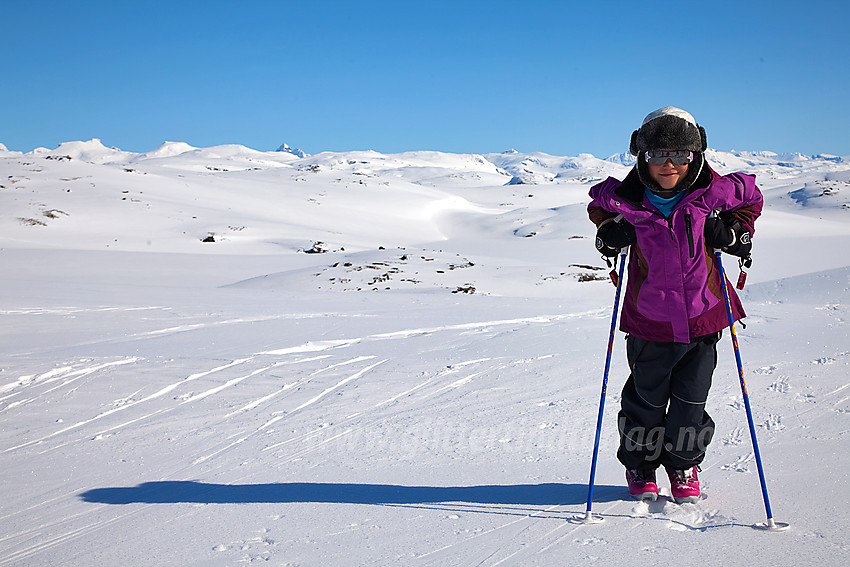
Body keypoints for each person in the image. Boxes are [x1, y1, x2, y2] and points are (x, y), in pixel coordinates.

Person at [587, 106, 763, 503]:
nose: (669, 164)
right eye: (657, 155)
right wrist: (608, 231)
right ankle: (641, 465)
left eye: (680, 155)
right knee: (644, 403)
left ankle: (684, 463)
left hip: (703, 319)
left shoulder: (711, 191)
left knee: (690, 402)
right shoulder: (627, 199)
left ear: (694, 154)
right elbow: (597, 203)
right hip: (649, 322)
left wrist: (736, 232)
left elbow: (751, 195)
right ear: (641, 156)